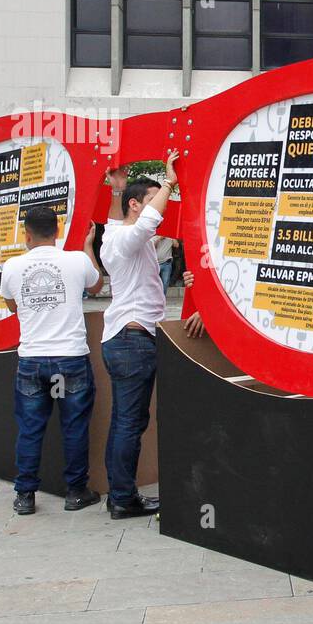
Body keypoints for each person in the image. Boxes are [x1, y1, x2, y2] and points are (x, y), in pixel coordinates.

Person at [0, 209, 106, 515]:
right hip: (70, 356)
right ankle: (76, 491)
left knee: (30, 429)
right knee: (74, 427)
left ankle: (25, 495)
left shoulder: (13, 266)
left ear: (27, 234)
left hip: (31, 359)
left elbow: (10, 304)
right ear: (57, 231)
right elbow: (97, 286)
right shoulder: (75, 260)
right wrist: (88, 247)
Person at [99, 152, 181, 519]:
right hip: (133, 341)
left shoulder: (120, 235)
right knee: (130, 423)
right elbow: (148, 222)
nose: (161, 207)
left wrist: (117, 185)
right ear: (135, 206)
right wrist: (168, 181)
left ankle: (118, 493)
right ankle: (122, 498)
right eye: (151, 201)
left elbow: (134, 219)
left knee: (124, 421)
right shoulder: (124, 240)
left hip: (126, 339)